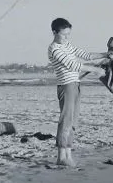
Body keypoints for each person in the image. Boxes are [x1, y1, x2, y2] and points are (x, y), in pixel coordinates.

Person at [47, 17, 109, 166]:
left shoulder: (67, 45)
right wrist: (95, 69)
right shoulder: (54, 48)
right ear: (54, 32)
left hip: (75, 84)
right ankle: (61, 156)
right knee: (66, 120)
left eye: (68, 34)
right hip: (66, 85)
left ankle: (68, 153)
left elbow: (85, 55)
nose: (67, 37)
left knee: (73, 120)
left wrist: (105, 54)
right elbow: (72, 65)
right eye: (64, 34)